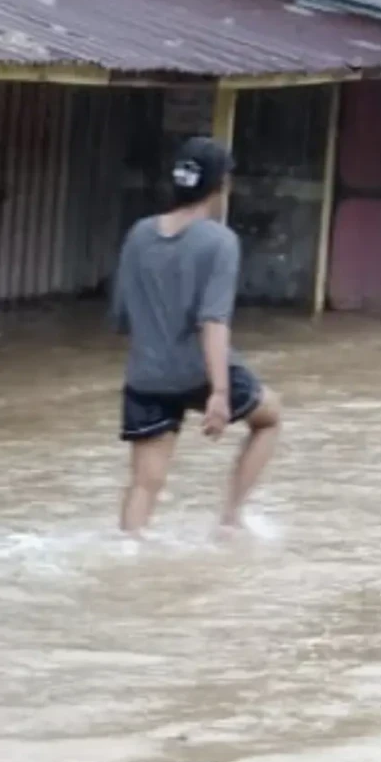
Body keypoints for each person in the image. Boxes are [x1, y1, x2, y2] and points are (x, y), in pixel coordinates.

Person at [112, 136, 283, 534]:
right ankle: (231, 519)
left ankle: (128, 549)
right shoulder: (221, 241)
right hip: (200, 372)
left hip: (146, 375)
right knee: (270, 417)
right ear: (223, 184)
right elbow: (213, 321)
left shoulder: (139, 234)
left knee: (144, 484)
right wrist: (219, 392)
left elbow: (121, 316)